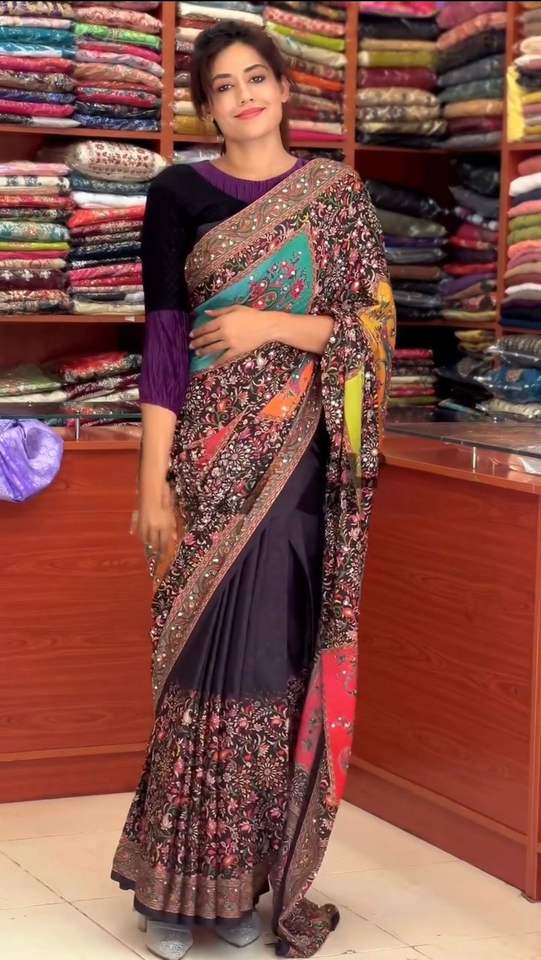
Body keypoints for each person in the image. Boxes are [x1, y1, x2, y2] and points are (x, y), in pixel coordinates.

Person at [111, 18, 396, 960]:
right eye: (223, 87)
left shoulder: (335, 196)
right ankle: (170, 892)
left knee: (265, 669)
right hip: (203, 461)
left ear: (283, 87)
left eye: (255, 78)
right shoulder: (176, 194)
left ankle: (239, 887)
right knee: (194, 665)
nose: (243, 97)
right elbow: (163, 342)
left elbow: (375, 330)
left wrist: (274, 325)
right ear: (206, 108)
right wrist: (152, 483)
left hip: (298, 464)